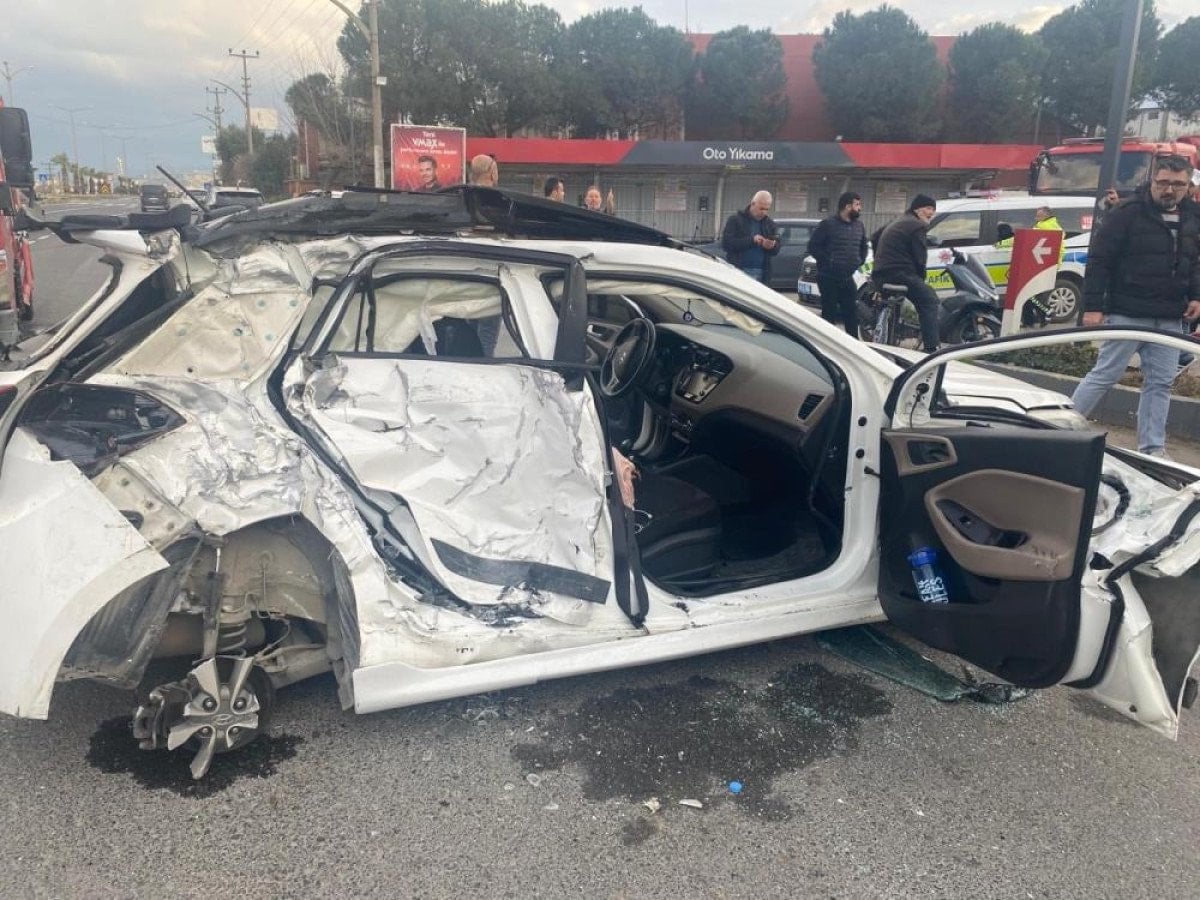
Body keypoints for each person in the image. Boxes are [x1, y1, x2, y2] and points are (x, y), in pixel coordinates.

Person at [1071, 155, 1200, 459]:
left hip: (1169, 316)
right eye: (1163, 182)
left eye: (1178, 184)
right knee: (1105, 374)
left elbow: (1195, 261)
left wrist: (1196, 296)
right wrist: (1093, 306)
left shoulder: (1193, 217)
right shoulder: (1127, 212)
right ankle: (1059, 430)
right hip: (1127, 312)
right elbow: (1100, 260)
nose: (1169, 189)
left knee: (1161, 384)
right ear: (1151, 180)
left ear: (1188, 186)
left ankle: (1152, 450)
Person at [871, 194, 941, 352]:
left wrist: (879, 261)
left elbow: (875, 238)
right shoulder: (917, 226)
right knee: (929, 300)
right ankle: (932, 348)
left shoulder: (898, 220)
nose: (931, 213)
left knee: (895, 301)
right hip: (900, 274)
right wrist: (921, 279)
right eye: (928, 208)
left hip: (880, 275)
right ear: (917, 209)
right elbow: (920, 258)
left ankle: (889, 330)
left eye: (933, 209)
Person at [807, 191, 868, 337]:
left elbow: (863, 246)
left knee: (851, 314)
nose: (859, 208)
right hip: (828, 277)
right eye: (857, 204)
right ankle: (827, 344)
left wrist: (859, 260)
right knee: (829, 315)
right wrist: (828, 261)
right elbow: (813, 246)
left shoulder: (859, 226)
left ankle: (853, 344)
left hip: (847, 277)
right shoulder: (828, 224)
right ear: (847, 206)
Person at [721, 190, 781, 285]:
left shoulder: (770, 224)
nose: (764, 212)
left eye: (767, 209)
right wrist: (752, 240)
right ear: (753, 204)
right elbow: (726, 244)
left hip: (762, 273)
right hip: (739, 271)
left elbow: (776, 249)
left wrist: (771, 246)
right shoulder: (736, 220)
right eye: (761, 208)